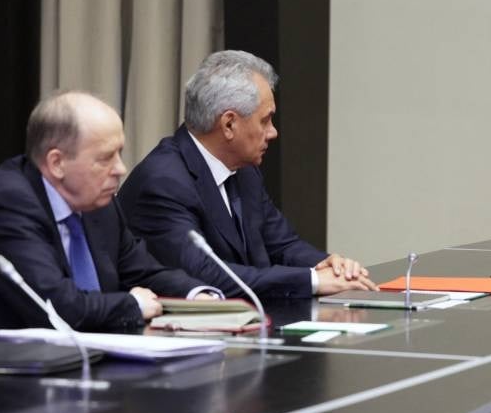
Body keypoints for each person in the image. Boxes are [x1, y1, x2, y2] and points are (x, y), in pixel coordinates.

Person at [0, 92, 221, 334]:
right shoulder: (7, 203)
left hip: (74, 359)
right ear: (57, 163)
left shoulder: (95, 201)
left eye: (119, 154)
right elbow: (57, 306)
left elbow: (142, 272)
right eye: (105, 158)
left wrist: (197, 297)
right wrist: (132, 304)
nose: (120, 169)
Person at [118, 50, 378, 299]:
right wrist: (312, 280)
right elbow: (206, 274)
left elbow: (282, 244)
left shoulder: (245, 171)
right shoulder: (164, 181)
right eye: (265, 120)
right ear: (229, 124)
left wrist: (325, 265)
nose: (273, 132)